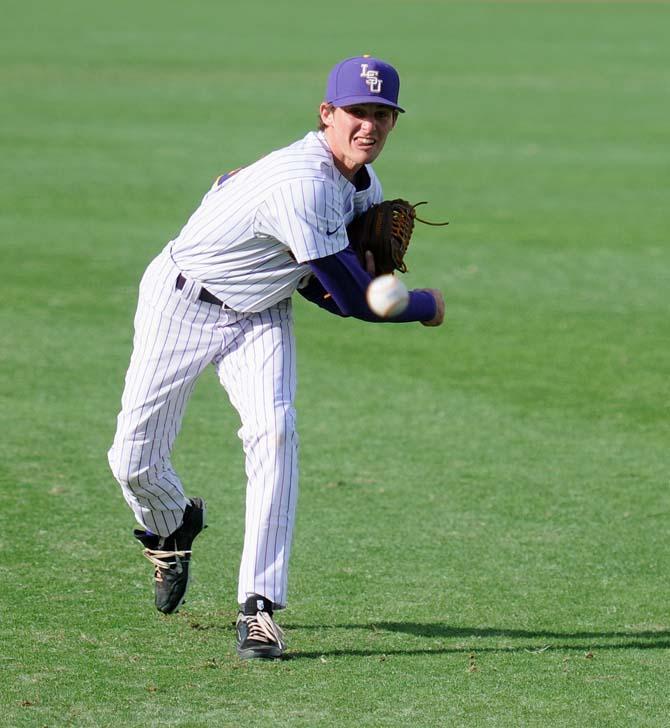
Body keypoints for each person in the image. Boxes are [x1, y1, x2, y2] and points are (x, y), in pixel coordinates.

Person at [107, 54, 445, 660]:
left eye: (382, 115)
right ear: (327, 114)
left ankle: (257, 607)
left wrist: (353, 277)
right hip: (183, 301)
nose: (368, 126)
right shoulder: (305, 183)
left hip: (260, 312)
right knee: (132, 459)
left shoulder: (364, 187)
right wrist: (423, 304)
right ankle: (170, 526)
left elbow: (319, 285)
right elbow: (353, 301)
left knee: (275, 431)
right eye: (356, 113)